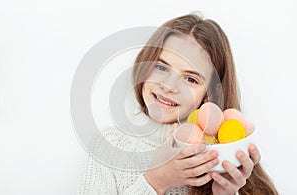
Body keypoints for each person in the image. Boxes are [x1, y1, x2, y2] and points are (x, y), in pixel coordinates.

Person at [77, 14, 278, 195]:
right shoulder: (109, 146)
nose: (169, 86)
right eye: (161, 67)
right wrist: (155, 182)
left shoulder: (219, 158)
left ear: (209, 96)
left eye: (190, 79)